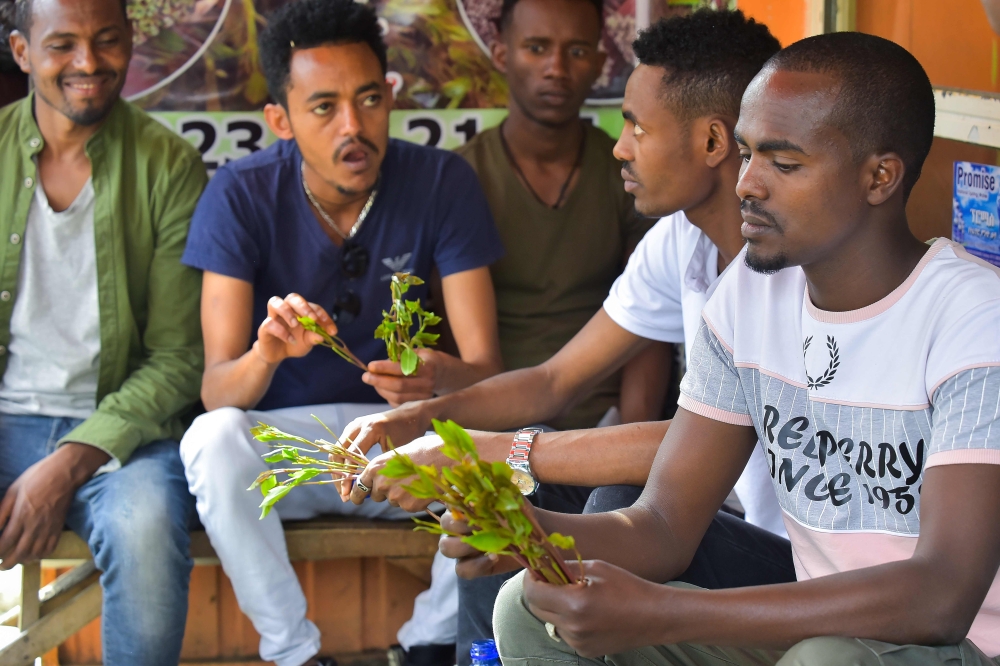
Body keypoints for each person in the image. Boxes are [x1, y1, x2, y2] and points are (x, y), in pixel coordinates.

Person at [465, 32, 1000, 664]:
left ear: (879, 177)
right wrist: (533, 533)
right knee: (527, 606)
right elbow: (663, 525)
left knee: (824, 659)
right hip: (811, 619)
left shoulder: (971, 316)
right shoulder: (750, 293)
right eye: (746, 154)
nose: (747, 183)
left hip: (955, 646)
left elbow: (942, 594)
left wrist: (665, 612)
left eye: (785, 163)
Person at [338, 10, 789, 659]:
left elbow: (701, 441)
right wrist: (425, 419)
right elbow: (555, 379)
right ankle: (478, 655)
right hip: (703, 511)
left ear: (714, 143)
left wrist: (488, 448)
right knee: (490, 498)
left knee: (606, 497)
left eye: (637, 125)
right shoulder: (682, 239)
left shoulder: (784, 269)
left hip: (783, 556)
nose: (620, 146)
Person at [177, 2, 505, 666]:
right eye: (323, 108)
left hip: (398, 444)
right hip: (286, 455)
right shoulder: (239, 194)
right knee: (211, 440)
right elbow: (218, 392)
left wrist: (440, 378)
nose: (354, 127)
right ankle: (293, 653)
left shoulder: (442, 182)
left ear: (389, 96)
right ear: (281, 120)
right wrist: (267, 353)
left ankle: (430, 647)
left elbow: (489, 372)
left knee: (512, 454)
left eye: (367, 100)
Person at [0, 0, 206, 663]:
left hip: (120, 430)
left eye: (107, 41)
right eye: (62, 44)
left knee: (144, 527)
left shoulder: (168, 165)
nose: (88, 63)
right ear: (22, 51)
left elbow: (179, 357)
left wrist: (69, 461)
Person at [454, 0, 665, 435]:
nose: (556, 68)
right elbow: (447, 339)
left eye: (577, 51)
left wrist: (626, 446)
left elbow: (653, 322)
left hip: (601, 426)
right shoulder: (459, 179)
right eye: (535, 47)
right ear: (500, 54)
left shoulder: (627, 174)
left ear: (600, 63)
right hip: (492, 426)